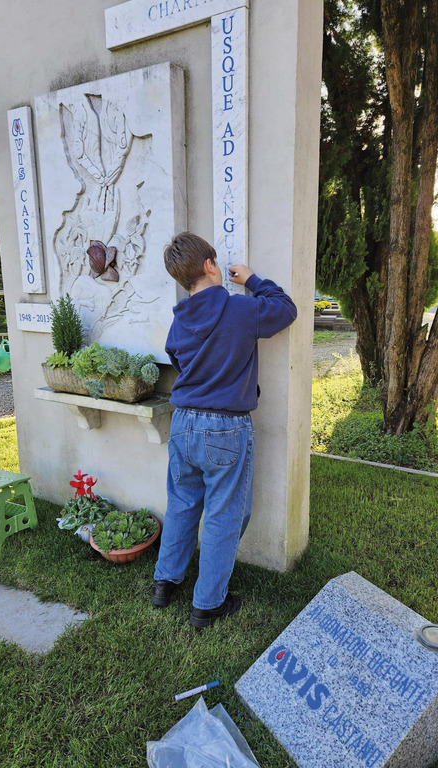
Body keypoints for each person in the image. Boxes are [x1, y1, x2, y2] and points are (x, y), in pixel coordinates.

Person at [152, 231, 297, 628]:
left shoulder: (179, 321)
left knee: (182, 504)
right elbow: (285, 309)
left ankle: (164, 582)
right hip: (226, 427)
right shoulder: (240, 310)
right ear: (209, 265)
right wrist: (251, 279)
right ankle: (207, 604)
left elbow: (177, 360)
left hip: (183, 421)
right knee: (223, 515)